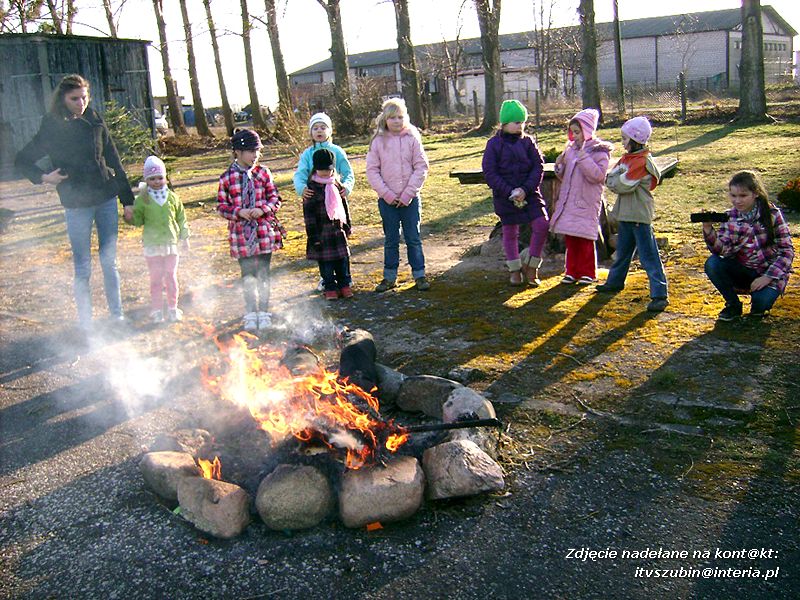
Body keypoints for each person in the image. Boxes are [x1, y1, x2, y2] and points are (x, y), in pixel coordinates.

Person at [14, 74, 135, 333]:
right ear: (63, 98)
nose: (81, 103)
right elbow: (22, 159)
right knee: (82, 266)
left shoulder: (94, 119)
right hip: (76, 203)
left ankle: (117, 316)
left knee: (109, 261)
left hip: (105, 199)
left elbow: (113, 157)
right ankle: (86, 324)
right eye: (74, 98)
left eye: (84, 97)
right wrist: (44, 177)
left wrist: (127, 200)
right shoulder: (52, 125)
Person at [596, 116, 669, 312]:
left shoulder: (640, 162)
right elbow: (612, 177)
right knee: (623, 254)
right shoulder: (629, 159)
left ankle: (659, 294)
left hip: (638, 216)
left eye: (625, 138)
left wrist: (613, 180)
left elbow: (621, 184)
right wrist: (613, 180)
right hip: (627, 215)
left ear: (635, 139)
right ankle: (615, 282)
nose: (622, 141)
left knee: (648, 256)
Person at [702, 170, 794, 321]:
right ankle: (733, 305)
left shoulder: (772, 214)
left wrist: (767, 277)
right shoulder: (729, 216)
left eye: (743, 196)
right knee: (712, 263)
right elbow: (723, 251)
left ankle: (759, 304)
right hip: (742, 269)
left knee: (760, 305)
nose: (737, 201)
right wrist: (708, 230)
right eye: (733, 196)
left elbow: (787, 251)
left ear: (755, 193)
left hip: (768, 271)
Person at [217, 129, 285, 331]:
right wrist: (239, 212)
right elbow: (221, 207)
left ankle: (264, 310)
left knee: (264, 273)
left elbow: (275, 199)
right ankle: (250, 311)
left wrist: (262, 209)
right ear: (237, 152)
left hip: (263, 232)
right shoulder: (227, 178)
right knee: (247, 275)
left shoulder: (263, 173)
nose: (255, 155)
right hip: (241, 235)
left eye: (257, 151)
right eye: (250, 151)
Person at [366, 98, 430, 292]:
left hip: (410, 199)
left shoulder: (412, 138)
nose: (396, 121)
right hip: (387, 201)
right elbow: (372, 171)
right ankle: (389, 276)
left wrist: (408, 194)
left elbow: (421, 167)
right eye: (392, 117)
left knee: (413, 237)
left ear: (406, 118)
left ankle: (419, 274)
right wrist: (387, 194)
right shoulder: (378, 141)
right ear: (385, 119)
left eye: (400, 117)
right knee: (391, 239)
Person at [482, 99, 548, 286]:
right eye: (517, 122)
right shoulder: (494, 144)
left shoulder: (528, 142)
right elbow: (490, 172)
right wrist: (509, 191)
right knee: (510, 232)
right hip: (505, 196)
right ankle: (514, 270)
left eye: (523, 122)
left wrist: (525, 189)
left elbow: (538, 166)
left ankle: (532, 266)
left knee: (542, 224)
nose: (521, 126)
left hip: (529, 193)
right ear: (505, 123)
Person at [292, 112, 355, 292]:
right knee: (321, 240)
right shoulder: (308, 154)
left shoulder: (337, 151)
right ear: (310, 132)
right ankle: (326, 279)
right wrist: (302, 188)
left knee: (340, 240)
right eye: (315, 128)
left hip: (335, 197)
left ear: (330, 130)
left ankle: (345, 278)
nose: (319, 131)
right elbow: (300, 174)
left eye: (323, 127)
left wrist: (347, 187)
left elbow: (348, 172)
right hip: (316, 199)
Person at [551, 108, 613, 284]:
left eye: (578, 132)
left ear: (587, 130)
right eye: (572, 132)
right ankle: (571, 270)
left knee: (585, 238)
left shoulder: (599, 152)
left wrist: (583, 157)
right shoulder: (570, 150)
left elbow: (597, 176)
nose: (575, 136)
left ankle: (588, 271)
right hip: (570, 202)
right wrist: (559, 168)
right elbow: (566, 176)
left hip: (586, 202)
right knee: (571, 238)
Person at [127, 156, 190, 323]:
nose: (157, 182)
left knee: (170, 275)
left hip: (171, 244)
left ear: (165, 178)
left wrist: (185, 238)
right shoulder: (143, 199)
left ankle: (172, 307)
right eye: (152, 179)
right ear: (147, 180)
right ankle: (156, 310)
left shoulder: (173, 198)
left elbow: (181, 218)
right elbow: (138, 221)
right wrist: (131, 215)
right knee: (156, 278)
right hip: (152, 245)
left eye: (160, 178)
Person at [303, 148, 353, 301]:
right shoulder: (311, 189)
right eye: (322, 169)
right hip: (321, 233)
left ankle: (344, 284)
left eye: (328, 169)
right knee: (326, 263)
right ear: (315, 168)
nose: (325, 173)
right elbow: (309, 216)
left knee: (342, 260)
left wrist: (347, 226)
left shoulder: (336, 185)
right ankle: (330, 286)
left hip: (338, 231)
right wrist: (313, 237)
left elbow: (344, 207)